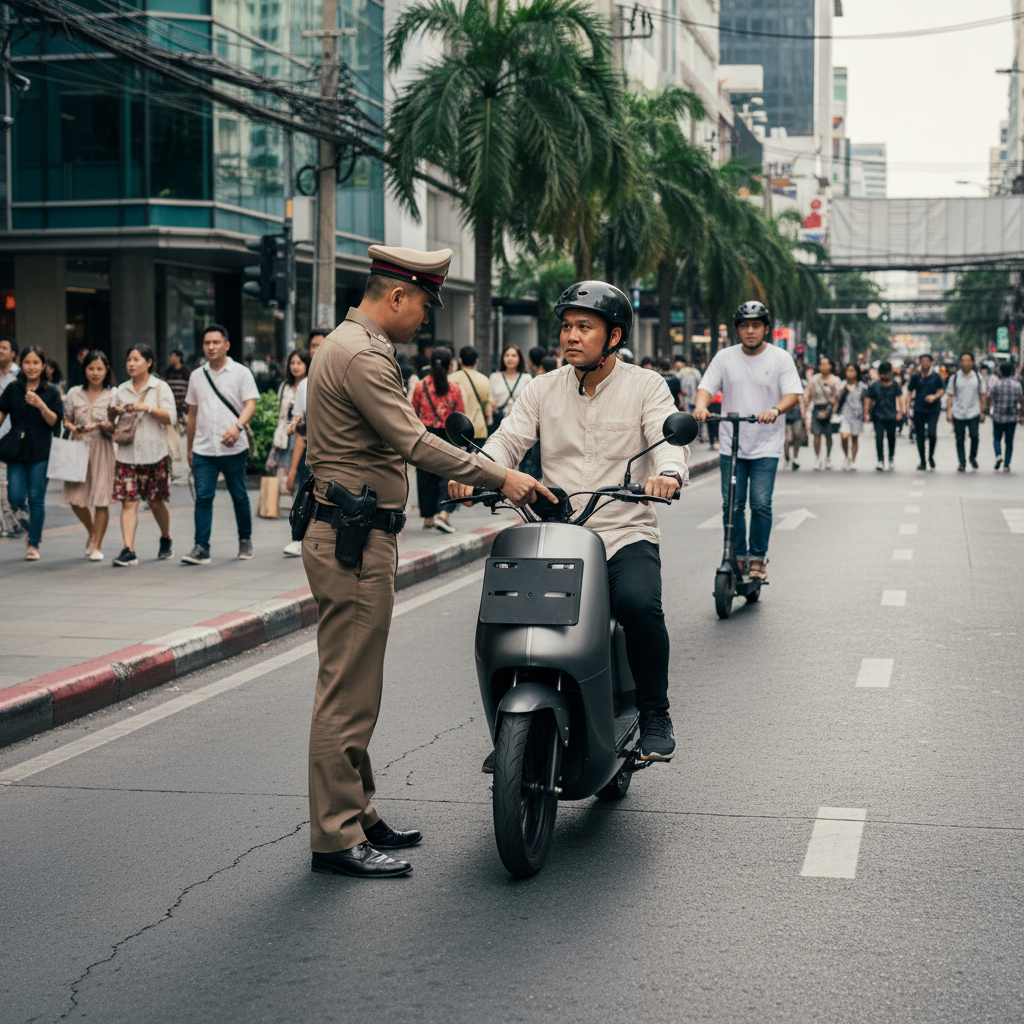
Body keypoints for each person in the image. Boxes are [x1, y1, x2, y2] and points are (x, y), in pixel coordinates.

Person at [302, 243, 549, 879]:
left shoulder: (356, 345)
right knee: (347, 691)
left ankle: (358, 812)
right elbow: (412, 442)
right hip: (352, 536)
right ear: (396, 296)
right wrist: (503, 477)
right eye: (423, 308)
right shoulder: (360, 353)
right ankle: (335, 836)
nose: (424, 322)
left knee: (359, 683)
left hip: (356, 530)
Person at [452, 279, 687, 762]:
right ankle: (511, 726)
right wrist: (475, 472)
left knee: (641, 606)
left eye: (585, 327)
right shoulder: (542, 388)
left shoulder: (646, 386)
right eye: (566, 327)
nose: (571, 336)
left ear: (614, 337)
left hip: (623, 529)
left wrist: (667, 473)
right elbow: (506, 441)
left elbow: (668, 440)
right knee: (508, 615)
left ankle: (654, 711)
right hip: (556, 534)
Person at [693, 302, 803, 583]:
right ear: (737, 330)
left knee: (760, 504)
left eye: (756, 325)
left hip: (766, 443)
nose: (750, 331)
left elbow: (792, 394)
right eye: (744, 326)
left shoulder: (780, 358)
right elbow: (707, 387)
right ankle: (738, 557)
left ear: (766, 329)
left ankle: (757, 559)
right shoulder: (724, 358)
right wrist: (701, 407)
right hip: (732, 442)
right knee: (731, 504)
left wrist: (776, 410)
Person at [182, 324, 259, 565]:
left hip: (233, 446)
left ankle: (245, 540)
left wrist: (237, 427)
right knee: (203, 497)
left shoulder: (241, 373)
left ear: (226, 345)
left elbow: (250, 404)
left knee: (239, 495)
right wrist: (189, 448)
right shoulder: (196, 376)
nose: (211, 347)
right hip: (204, 448)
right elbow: (192, 415)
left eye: (216, 342)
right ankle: (201, 547)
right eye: (207, 343)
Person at [110, 344, 177, 566]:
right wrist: (115, 412)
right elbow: (113, 424)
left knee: (156, 501)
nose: (131, 364)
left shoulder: (160, 387)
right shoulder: (121, 390)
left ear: (149, 362)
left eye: (136, 359)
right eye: (129, 359)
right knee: (128, 502)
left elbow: (171, 417)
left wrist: (145, 409)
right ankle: (129, 549)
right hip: (127, 455)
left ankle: (166, 537)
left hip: (154, 453)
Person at [0, 345, 63, 559]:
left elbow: (55, 422)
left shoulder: (51, 391)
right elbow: (1, 413)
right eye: (27, 362)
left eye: (36, 362)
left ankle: (33, 543)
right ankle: (26, 518)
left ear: (43, 365)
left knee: (36, 498)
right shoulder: (13, 389)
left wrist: (41, 405)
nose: (31, 367)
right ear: (22, 364)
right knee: (15, 496)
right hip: (16, 451)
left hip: (41, 452)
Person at [61, 351, 117, 561]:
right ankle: (91, 531)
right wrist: (73, 427)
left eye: (99, 369)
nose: (95, 373)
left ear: (107, 370)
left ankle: (98, 546)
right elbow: (66, 420)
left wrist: (105, 426)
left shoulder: (113, 394)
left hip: (103, 448)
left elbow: (116, 427)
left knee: (101, 499)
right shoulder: (74, 393)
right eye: (91, 368)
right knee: (76, 499)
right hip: (78, 447)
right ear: (84, 370)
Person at [411, 347, 465, 532]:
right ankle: (444, 513)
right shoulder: (454, 388)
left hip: (425, 434)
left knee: (425, 476)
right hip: (447, 436)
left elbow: (413, 411)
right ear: (451, 365)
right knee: (447, 476)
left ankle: (428, 518)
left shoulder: (420, 385)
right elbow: (460, 415)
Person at [283, 327, 329, 497]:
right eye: (312, 346)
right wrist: (293, 469)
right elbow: (301, 431)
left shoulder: (343, 378)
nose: (315, 350)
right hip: (311, 458)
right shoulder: (304, 385)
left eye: (320, 345)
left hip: (338, 458)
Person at [270, 348, 310, 490]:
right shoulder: (285, 386)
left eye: (299, 363)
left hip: (303, 435)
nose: (295, 366)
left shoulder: (310, 384)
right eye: (292, 363)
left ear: (306, 364)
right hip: (286, 435)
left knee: (301, 474)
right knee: (284, 475)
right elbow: (281, 414)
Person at [946, 352, 986, 472]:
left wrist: (983, 411)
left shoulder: (978, 378)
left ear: (972, 363)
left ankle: (972, 457)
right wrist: (948, 411)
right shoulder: (955, 378)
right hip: (958, 412)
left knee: (974, 436)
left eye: (968, 360)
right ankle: (962, 462)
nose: (966, 363)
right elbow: (950, 395)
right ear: (960, 363)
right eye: (963, 360)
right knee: (959, 438)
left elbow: (982, 395)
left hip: (974, 411)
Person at [864, 360, 904, 471]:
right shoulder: (874, 386)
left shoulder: (895, 385)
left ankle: (891, 457)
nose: (886, 375)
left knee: (891, 436)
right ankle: (880, 460)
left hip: (891, 414)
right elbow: (868, 399)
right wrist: (866, 412)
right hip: (878, 415)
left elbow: (900, 398)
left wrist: (900, 412)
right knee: (879, 438)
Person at [907, 353, 944, 470]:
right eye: (922, 361)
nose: (925, 363)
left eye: (927, 361)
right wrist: (907, 409)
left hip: (933, 409)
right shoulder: (915, 377)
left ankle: (931, 456)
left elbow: (941, 390)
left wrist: (934, 397)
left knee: (932, 434)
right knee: (920, 435)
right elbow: (909, 392)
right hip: (919, 409)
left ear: (931, 363)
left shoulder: (937, 377)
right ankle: (922, 460)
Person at [448, 345, 492, 442]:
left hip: (458, 430)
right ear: (476, 361)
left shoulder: (451, 378)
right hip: (479, 430)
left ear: (459, 360)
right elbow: (487, 407)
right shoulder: (484, 379)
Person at [987, 360, 1024, 471]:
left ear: (1001, 372)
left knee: (997, 438)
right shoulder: (1016, 385)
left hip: (998, 416)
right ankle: (1007, 464)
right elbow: (1021, 400)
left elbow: (989, 396)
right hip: (1012, 417)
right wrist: (1021, 414)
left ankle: (998, 455)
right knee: (1009, 441)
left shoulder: (996, 384)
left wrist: (989, 408)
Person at [805, 354, 840, 470]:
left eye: (826, 364)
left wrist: (833, 410)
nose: (823, 366)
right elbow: (810, 395)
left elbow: (837, 398)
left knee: (828, 435)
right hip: (817, 407)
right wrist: (805, 409)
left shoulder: (835, 380)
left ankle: (828, 457)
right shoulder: (815, 379)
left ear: (830, 366)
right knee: (816, 434)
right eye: (821, 364)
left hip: (829, 408)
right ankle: (817, 457)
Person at [0, 336, 19, 537]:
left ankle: (14, 522)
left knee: (11, 486)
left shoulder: (20, 376)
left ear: (13, 352)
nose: (0, 351)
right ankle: (5, 524)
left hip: (14, 438)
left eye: (4, 348)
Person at [489, 344, 529, 434]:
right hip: (498, 425)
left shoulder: (526, 378)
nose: (510, 358)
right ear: (502, 358)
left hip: (520, 425)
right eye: (507, 355)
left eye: (514, 356)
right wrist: (492, 403)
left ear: (519, 358)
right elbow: (490, 396)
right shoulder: (494, 377)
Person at [836, 363, 868, 471]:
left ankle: (853, 460)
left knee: (855, 437)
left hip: (857, 415)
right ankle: (846, 456)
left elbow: (865, 400)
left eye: (852, 371)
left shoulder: (862, 386)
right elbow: (836, 398)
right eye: (848, 370)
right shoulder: (842, 384)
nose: (850, 373)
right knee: (844, 436)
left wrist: (866, 413)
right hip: (845, 414)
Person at [163, 349, 192, 422]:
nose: (171, 358)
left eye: (174, 356)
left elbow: (190, 388)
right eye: (171, 356)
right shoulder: (168, 372)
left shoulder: (185, 372)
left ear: (179, 357)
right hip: (171, 404)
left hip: (182, 406)